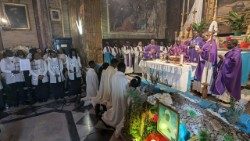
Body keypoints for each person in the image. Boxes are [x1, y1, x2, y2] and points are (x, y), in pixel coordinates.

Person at [102, 62, 129, 128]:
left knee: (116, 108)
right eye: (125, 68)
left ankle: (115, 116)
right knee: (121, 109)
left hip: (115, 96)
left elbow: (111, 87)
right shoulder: (123, 78)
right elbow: (127, 91)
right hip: (121, 98)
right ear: (122, 68)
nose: (125, 69)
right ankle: (119, 119)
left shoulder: (114, 76)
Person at [193, 32, 218, 96]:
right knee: (203, 76)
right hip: (205, 62)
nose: (203, 38)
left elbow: (212, 54)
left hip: (208, 64)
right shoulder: (208, 42)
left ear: (208, 36)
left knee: (207, 77)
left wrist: (201, 52)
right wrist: (201, 51)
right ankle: (201, 90)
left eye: (204, 37)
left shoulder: (212, 43)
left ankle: (206, 91)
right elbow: (205, 51)